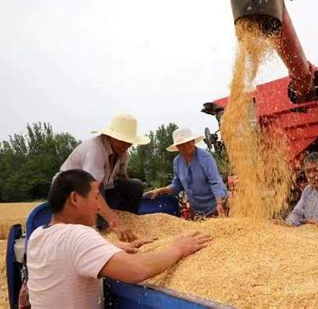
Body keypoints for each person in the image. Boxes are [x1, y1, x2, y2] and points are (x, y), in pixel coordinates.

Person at [27, 169, 211, 308]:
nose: (98, 207)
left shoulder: (39, 234)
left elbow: (67, 257)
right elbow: (137, 270)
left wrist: (111, 248)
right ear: (75, 199)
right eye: (96, 197)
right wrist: (177, 249)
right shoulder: (77, 236)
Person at [55, 113, 149, 241]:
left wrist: (134, 193)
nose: (126, 145)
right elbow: (91, 188)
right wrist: (116, 223)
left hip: (97, 189)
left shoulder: (122, 153)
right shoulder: (96, 150)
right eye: (122, 141)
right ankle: (102, 230)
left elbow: (122, 177)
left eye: (129, 142)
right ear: (111, 136)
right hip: (70, 190)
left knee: (135, 185)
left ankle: (129, 221)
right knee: (98, 186)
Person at [144, 127, 228, 218]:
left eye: (188, 142)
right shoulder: (177, 162)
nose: (187, 146)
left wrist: (219, 203)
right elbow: (176, 186)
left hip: (215, 208)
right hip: (197, 211)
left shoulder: (205, 157)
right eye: (182, 144)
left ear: (193, 141)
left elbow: (215, 182)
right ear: (177, 147)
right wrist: (159, 190)